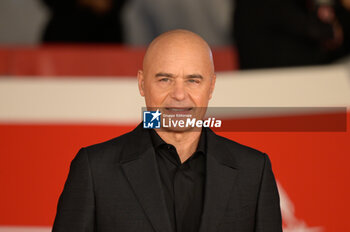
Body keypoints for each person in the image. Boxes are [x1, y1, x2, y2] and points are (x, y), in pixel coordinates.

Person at [52, 29, 282, 232]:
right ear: (142, 83)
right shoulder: (95, 169)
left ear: (211, 86)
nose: (179, 95)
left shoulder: (254, 171)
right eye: (165, 79)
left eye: (193, 80)